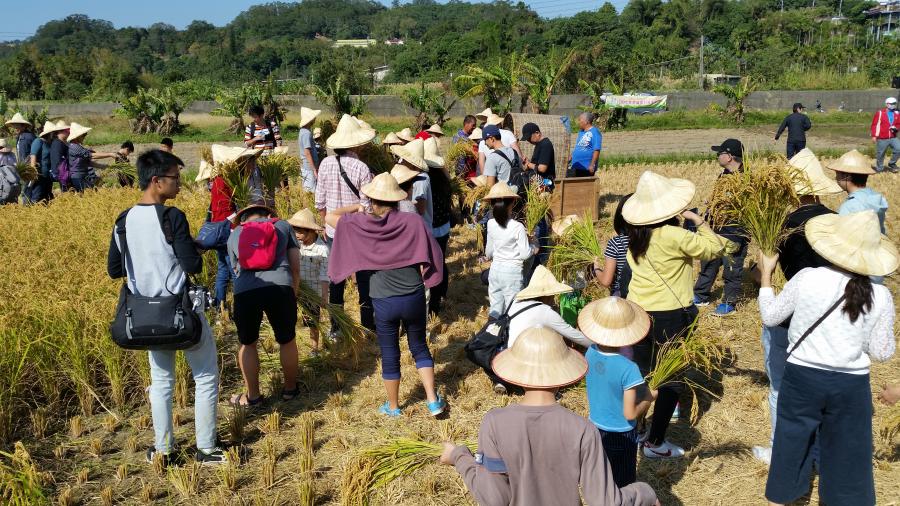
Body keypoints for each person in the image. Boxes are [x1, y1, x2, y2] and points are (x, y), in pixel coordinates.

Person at [757, 210, 896, 506]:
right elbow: (883, 352)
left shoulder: (808, 277)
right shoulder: (880, 295)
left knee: (790, 445)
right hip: (851, 385)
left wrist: (766, 276)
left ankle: (781, 498)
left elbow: (771, 317)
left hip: (802, 378)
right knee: (847, 456)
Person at [440, 326, 659, 506]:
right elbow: (604, 502)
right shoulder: (582, 429)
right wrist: (645, 492)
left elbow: (494, 499)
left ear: (516, 374)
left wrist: (460, 457)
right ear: (563, 375)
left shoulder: (494, 423)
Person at [106, 149, 225, 465]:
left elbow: (115, 269)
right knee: (205, 376)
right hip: (180, 312)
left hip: (145, 316)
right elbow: (193, 265)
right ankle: (207, 448)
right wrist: (190, 246)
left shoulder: (123, 221)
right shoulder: (172, 218)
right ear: (157, 181)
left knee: (160, 383)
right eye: (175, 178)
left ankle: (163, 451)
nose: (180, 184)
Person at [623, 170, 734, 459]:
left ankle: (636, 431)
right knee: (671, 377)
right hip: (670, 316)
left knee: (644, 374)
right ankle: (656, 442)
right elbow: (715, 248)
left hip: (637, 313)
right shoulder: (674, 235)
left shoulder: (635, 237)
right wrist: (699, 222)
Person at [326, 172, 446, 417]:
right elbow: (432, 253)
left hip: (382, 298)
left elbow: (329, 217)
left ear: (372, 199)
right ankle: (433, 401)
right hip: (412, 294)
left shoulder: (360, 223)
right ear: (396, 199)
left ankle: (393, 407)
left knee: (390, 352)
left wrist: (358, 207)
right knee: (419, 346)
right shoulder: (412, 221)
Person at [751, 148, 841, 465]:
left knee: (779, 387)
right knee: (820, 389)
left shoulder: (779, 225)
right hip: (832, 313)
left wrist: (761, 272)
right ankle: (816, 452)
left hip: (791, 314)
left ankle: (780, 451)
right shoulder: (837, 220)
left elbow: (766, 270)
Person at [227, 204, 301, 406]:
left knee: (248, 343)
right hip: (280, 287)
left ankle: (253, 397)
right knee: (287, 340)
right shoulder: (283, 226)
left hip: (246, 291)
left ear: (243, 219)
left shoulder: (235, 234)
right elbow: (295, 265)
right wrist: (293, 291)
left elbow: (235, 269)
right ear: (269, 215)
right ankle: (290, 389)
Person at [580, 297, 657, 487]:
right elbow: (630, 413)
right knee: (623, 483)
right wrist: (648, 398)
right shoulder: (628, 368)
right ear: (628, 332)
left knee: (602, 477)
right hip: (620, 434)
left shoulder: (590, 352)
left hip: (595, 428)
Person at [315, 114, 376, 337]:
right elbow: (368, 206)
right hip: (359, 232)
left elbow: (319, 202)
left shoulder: (325, 164)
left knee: (336, 280)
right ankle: (368, 325)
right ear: (357, 143)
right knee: (364, 280)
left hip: (333, 231)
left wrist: (327, 223)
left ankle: (336, 327)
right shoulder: (362, 168)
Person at [693, 138, 748, 316]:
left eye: (720, 153)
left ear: (730, 156)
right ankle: (701, 295)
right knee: (708, 262)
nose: (718, 156)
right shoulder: (725, 174)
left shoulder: (745, 178)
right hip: (715, 228)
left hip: (734, 232)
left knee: (731, 268)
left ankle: (728, 302)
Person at [483, 182, 536, 318]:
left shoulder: (490, 224)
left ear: (492, 204)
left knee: (495, 310)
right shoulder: (517, 227)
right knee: (513, 313)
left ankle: (492, 334)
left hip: (495, 271)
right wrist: (533, 246)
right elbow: (525, 254)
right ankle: (508, 338)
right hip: (512, 274)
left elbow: (488, 252)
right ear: (512, 202)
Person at [287, 208, 329, 357]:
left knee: (313, 321)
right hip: (297, 288)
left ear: (311, 231)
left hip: (313, 291)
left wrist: (324, 296)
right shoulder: (294, 245)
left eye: (299, 231)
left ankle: (314, 348)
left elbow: (325, 275)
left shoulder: (322, 249)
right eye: (294, 230)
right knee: (297, 317)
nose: (296, 234)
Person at [825, 149, 888, 234]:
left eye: (838, 174)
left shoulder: (849, 207)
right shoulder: (876, 197)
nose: (836, 178)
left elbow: (841, 236)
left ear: (847, 176)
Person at [424, 137, 452, 315]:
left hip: (431, 228)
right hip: (444, 227)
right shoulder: (444, 179)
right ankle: (440, 295)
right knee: (441, 261)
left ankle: (433, 302)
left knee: (431, 265)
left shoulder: (424, 180)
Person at [391, 138, 434, 231]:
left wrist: (405, 202)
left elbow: (421, 209)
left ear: (413, 163)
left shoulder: (421, 179)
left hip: (421, 228)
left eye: (404, 160)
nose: (401, 162)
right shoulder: (412, 176)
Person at [595, 194, 632, 297]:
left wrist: (596, 268)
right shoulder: (651, 240)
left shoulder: (616, 243)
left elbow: (606, 281)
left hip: (622, 298)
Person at [66, 122, 116, 192]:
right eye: (83, 135)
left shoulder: (78, 146)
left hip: (83, 176)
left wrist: (103, 166)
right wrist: (110, 154)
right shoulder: (74, 147)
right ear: (77, 136)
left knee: (93, 192)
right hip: (77, 177)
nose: (85, 136)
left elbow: (87, 162)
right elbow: (91, 155)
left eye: (85, 134)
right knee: (88, 195)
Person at [25, 120, 62, 203]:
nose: (56, 135)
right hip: (39, 175)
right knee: (37, 195)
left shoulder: (50, 143)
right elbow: (33, 155)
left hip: (48, 175)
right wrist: (33, 171)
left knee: (47, 196)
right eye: (54, 133)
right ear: (49, 133)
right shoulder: (38, 141)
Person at [870, 96, 899, 173]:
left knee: (898, 149)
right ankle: (879, 168)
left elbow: (899, 124)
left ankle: (892, 164)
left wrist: (896, 128)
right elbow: (875, 125)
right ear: (887, 104)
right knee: (881, 153)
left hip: (893, 137)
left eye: (894, 103)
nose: (893, 105)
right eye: (891, 103)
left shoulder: (897, 113)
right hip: (882, 137)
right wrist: (874, 136)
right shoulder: (880, 113)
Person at [570, 112, 602, 177]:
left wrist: (592, 165)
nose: (578, 122)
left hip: (586, 168)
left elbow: (597, 150)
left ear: (586, 122)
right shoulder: (581, 132)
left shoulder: (595, 132)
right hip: (576, 165)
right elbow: (578, 147)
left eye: (580, 120)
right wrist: (571, 156)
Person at [297, 106, 321, 192]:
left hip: (307, 166)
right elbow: (307, 152)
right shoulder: (307, 133)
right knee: (310, 191)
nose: (315, 119)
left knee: (308, 190)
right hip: (309, 167)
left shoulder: (303, 131)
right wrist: (314, 169)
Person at [48, 121, 69, 191]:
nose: (69, 132)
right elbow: (58, 161)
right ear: (60, 131)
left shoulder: (61, 142)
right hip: (62, 174)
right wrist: (64, 175)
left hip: (63, 173)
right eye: (67, 130)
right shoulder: (57, 144)